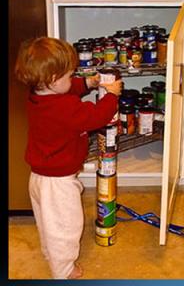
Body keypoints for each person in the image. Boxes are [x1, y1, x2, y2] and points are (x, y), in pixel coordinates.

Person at [14, 37, 122, 279]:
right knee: (66, 227)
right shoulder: (64, 108)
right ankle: (63, 270)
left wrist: (88, 83)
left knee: (48, 223)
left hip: (40, 176)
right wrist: (111, 96)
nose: (72, 78)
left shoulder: (38, 94)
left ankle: (50, 253)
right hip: (58, 183)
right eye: (69, 74)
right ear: (52, 80)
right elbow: (96, 117)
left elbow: (68, 87)